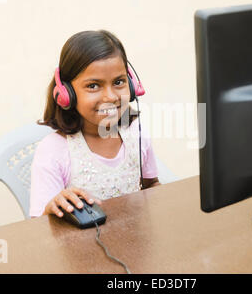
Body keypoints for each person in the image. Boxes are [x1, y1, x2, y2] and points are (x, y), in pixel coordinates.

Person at [29, 30, 160, 218]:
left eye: (119, 82)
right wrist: (52, 207)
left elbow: (151, 184)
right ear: (66, 94)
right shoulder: (53, 150)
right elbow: (40, 226)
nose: (111, 97)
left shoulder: (135, 134)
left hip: (134, 242)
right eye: (93, 86)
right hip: (80, 247)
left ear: (131, 86)